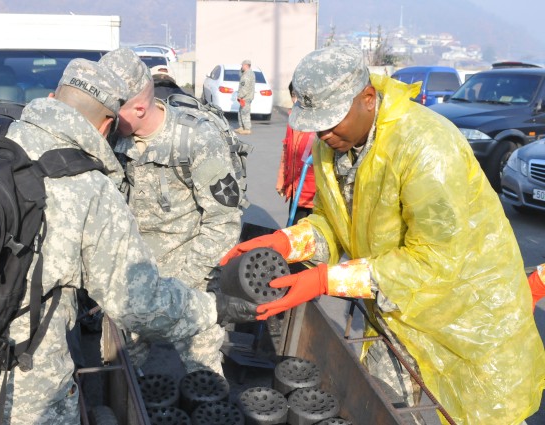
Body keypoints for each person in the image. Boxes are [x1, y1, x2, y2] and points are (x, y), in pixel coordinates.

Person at [0, 58, 255, 424]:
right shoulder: (87, 186)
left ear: (54, 97)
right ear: (106, 125)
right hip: (14, 393)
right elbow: (137, 303)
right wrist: (211, 308)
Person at [220, 45, 545, 425]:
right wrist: (288, 242)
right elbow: (333, 222)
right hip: (399, 311)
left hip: (466, 320)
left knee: (473, 413)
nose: (323, 134)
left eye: (330, 121)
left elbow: (435, 260)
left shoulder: (425, 147)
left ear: (368, 99)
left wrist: (327, 279)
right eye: (316, 124)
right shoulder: (336, 145)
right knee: (390, 407)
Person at [99, 48, 243, 375]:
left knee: (205, 381)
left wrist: (186, 283)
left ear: (137, 107)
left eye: (111, 109)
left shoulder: (196, 138)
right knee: (120, 377)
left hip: (189, 279)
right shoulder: (109, 139)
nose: (103, 118)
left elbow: (224, 221)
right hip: (131, 279)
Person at [276, 81, 316, 223]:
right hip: (296, 188)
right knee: (294, 229)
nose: (296, 100)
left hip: (315, 194)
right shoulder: (293, 119)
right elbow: (286, 150)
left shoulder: (320, 121)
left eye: (300, 95)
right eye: (293, 95)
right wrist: (282, 179)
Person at [235, 59, 255, 135]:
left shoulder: (247, 75)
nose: (241, 67)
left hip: (245, 97)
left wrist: (240, 96)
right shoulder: (249, 73)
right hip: (246, 97)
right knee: (241, 111)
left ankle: (247, 128)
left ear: (246, 65)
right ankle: (241, 127)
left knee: (245, 113)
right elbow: (240, 74)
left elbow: (245, 87)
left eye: (242, 65)